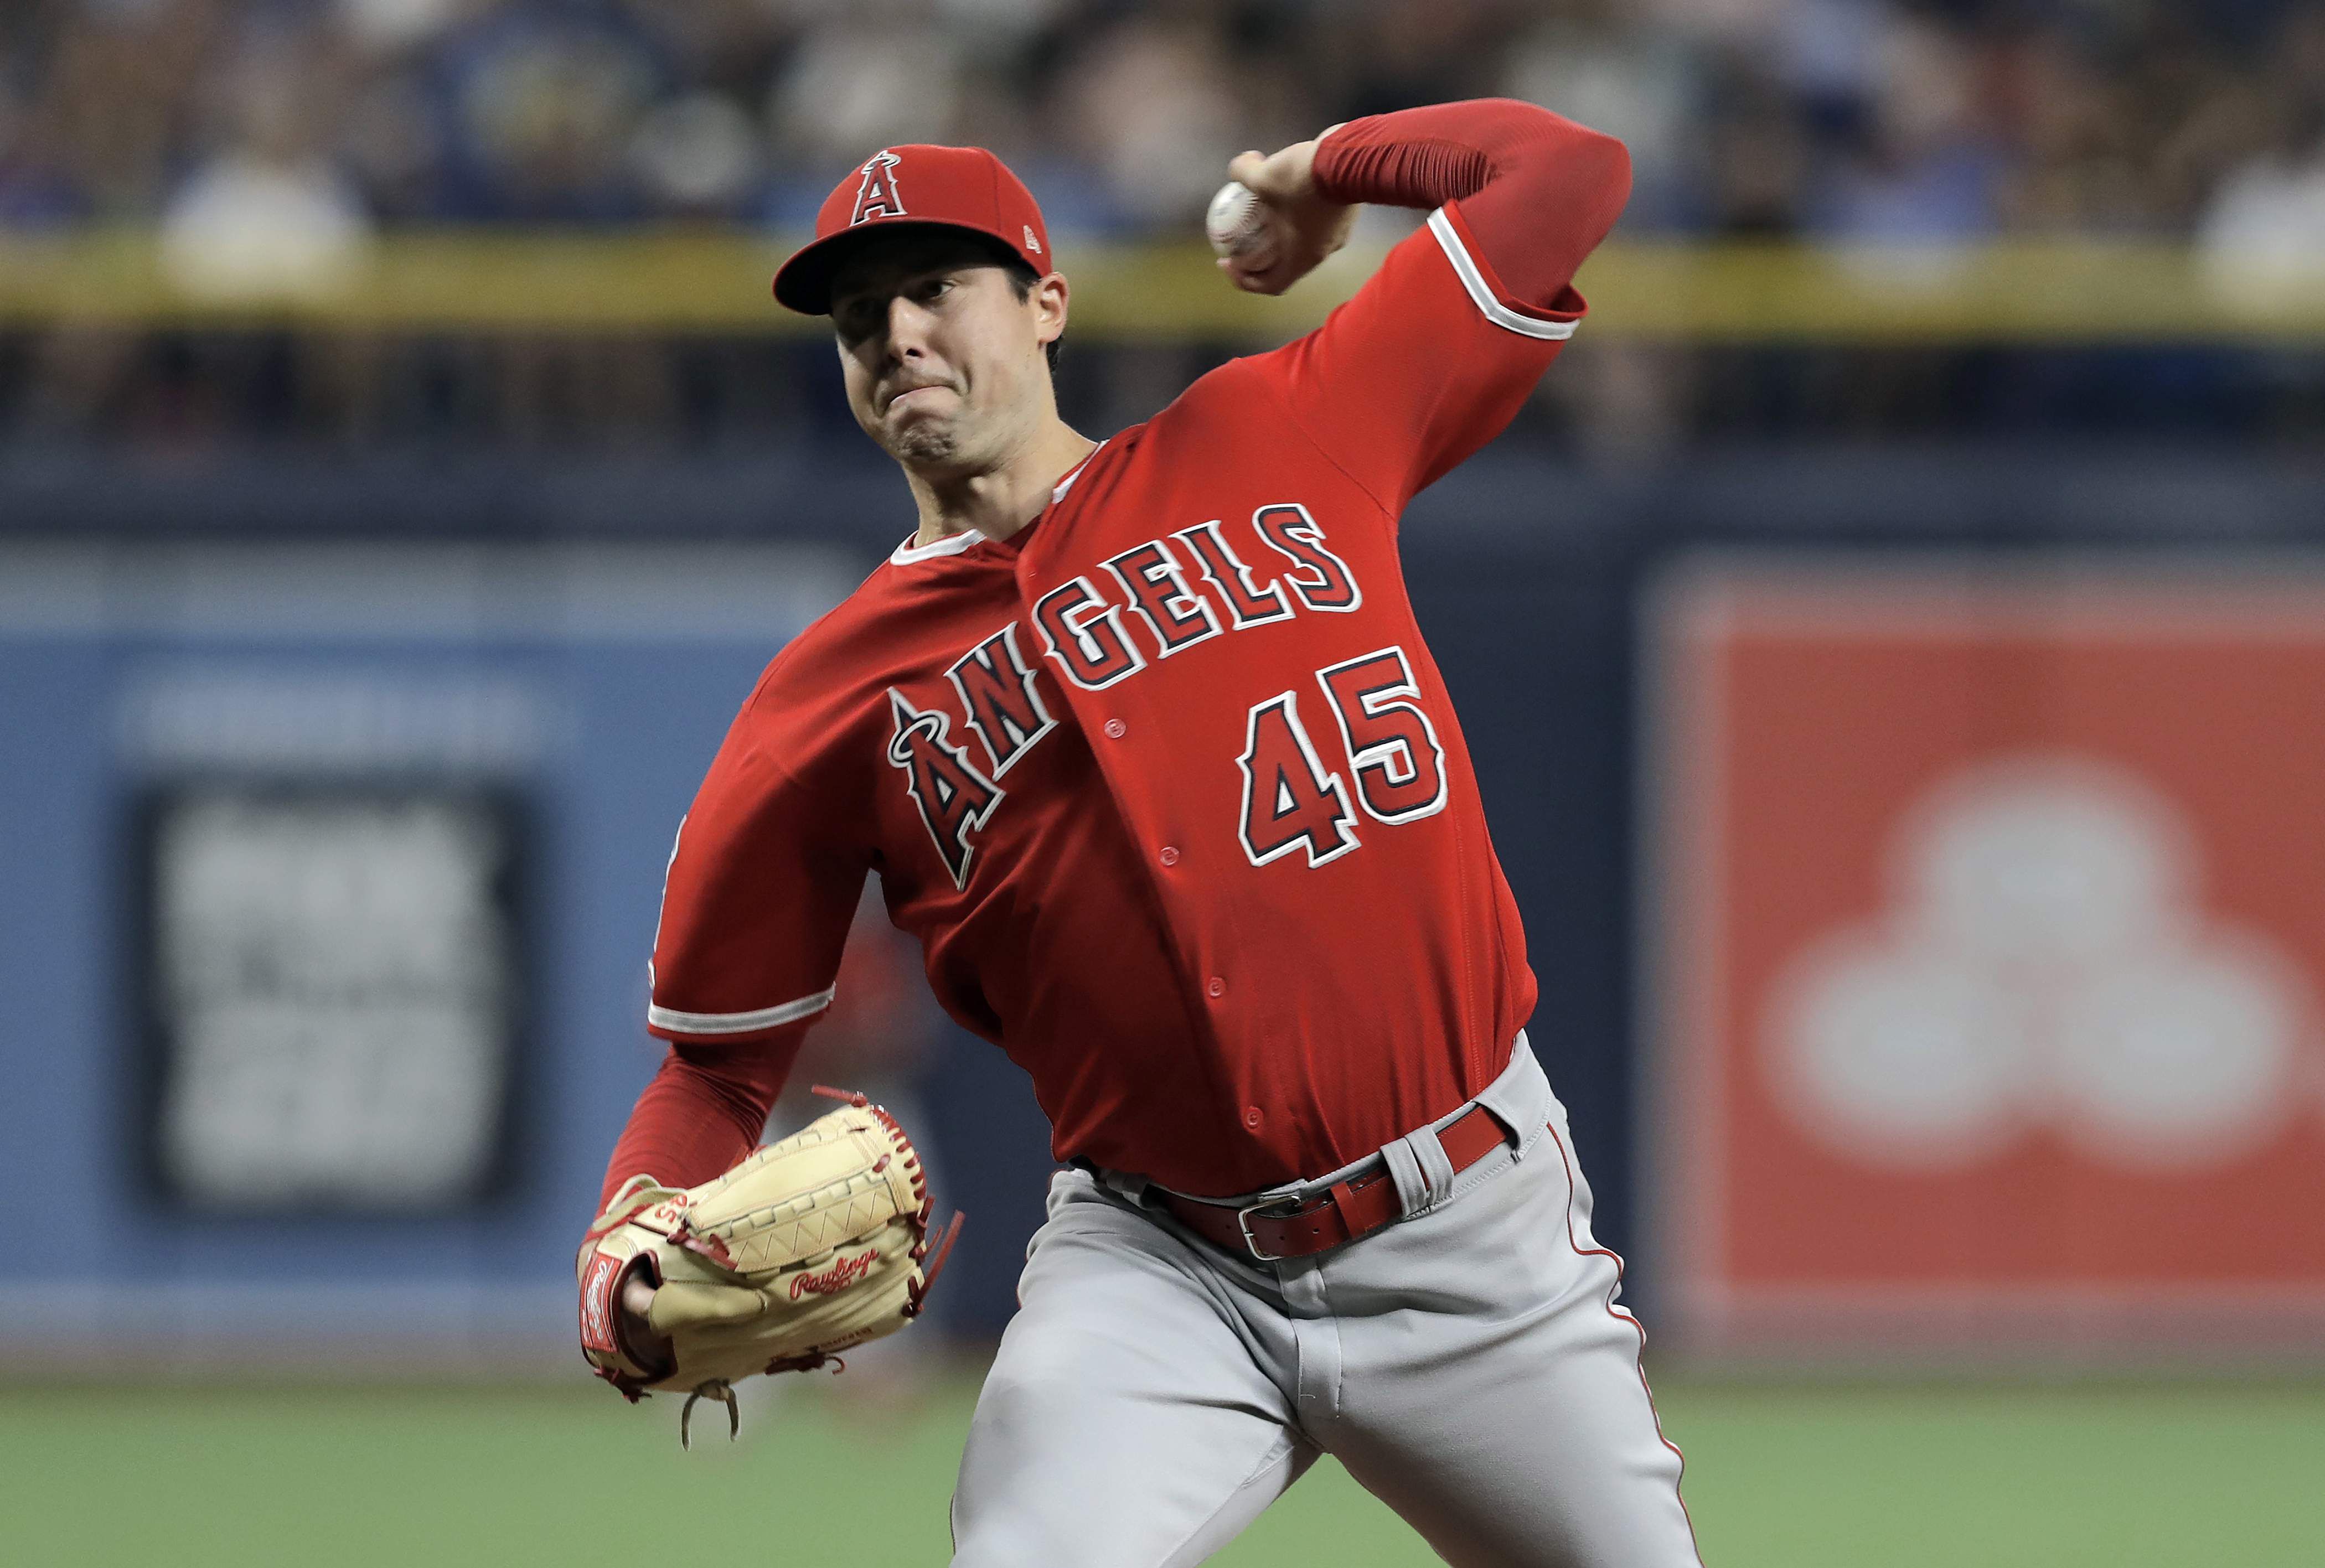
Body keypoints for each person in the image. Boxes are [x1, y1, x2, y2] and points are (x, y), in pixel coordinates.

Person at [587, 99, 1701, 1567]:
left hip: (1470, 1231)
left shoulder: (1283, 425)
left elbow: (1572, 171)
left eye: (937, 288)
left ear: (1046, 303)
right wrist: (623, 1250)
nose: (900, 332)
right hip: (1160, 1268)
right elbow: (718, 1063)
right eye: (862, 315)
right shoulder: (824, 702)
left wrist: (1320, 172)